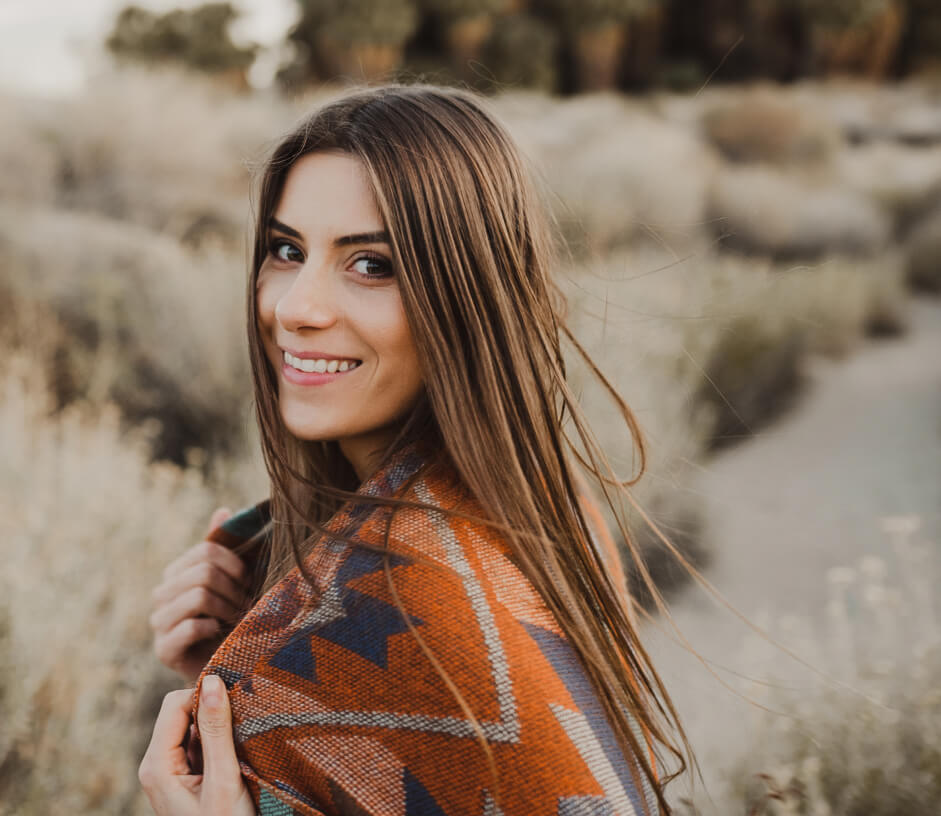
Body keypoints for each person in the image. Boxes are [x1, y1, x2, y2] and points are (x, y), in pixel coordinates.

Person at [139, 84, 689, 816]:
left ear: (469, 296)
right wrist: (239, 662)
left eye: (371, 264)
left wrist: (273, 677)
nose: (297, 306)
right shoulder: (552, 513)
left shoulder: (398, 602)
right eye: (285, 249)